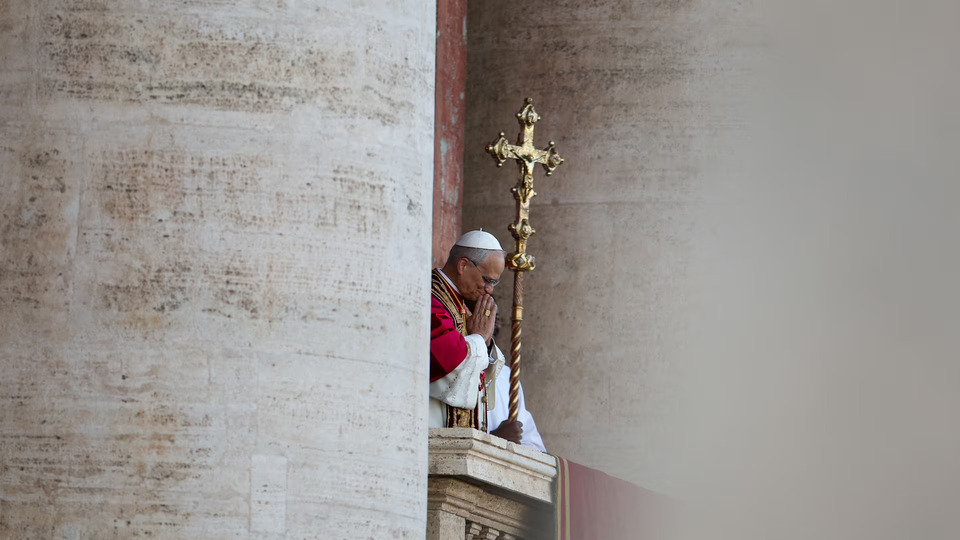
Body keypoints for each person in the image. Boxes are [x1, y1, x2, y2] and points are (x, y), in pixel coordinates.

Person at [429, 230, 506, 430]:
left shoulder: (463, 304)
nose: (490, 289)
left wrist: (485, 343)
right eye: (487, 280)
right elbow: (443, 358)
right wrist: (479, 338)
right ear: (463, 265)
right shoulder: (430, 297)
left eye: (494, 282)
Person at [486, 308, 547, 452]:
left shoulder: (507, 375)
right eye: (488, 313)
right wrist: (493, 439)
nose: (496, 324)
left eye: (497, 317)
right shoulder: (453, 368)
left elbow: (532, 443)